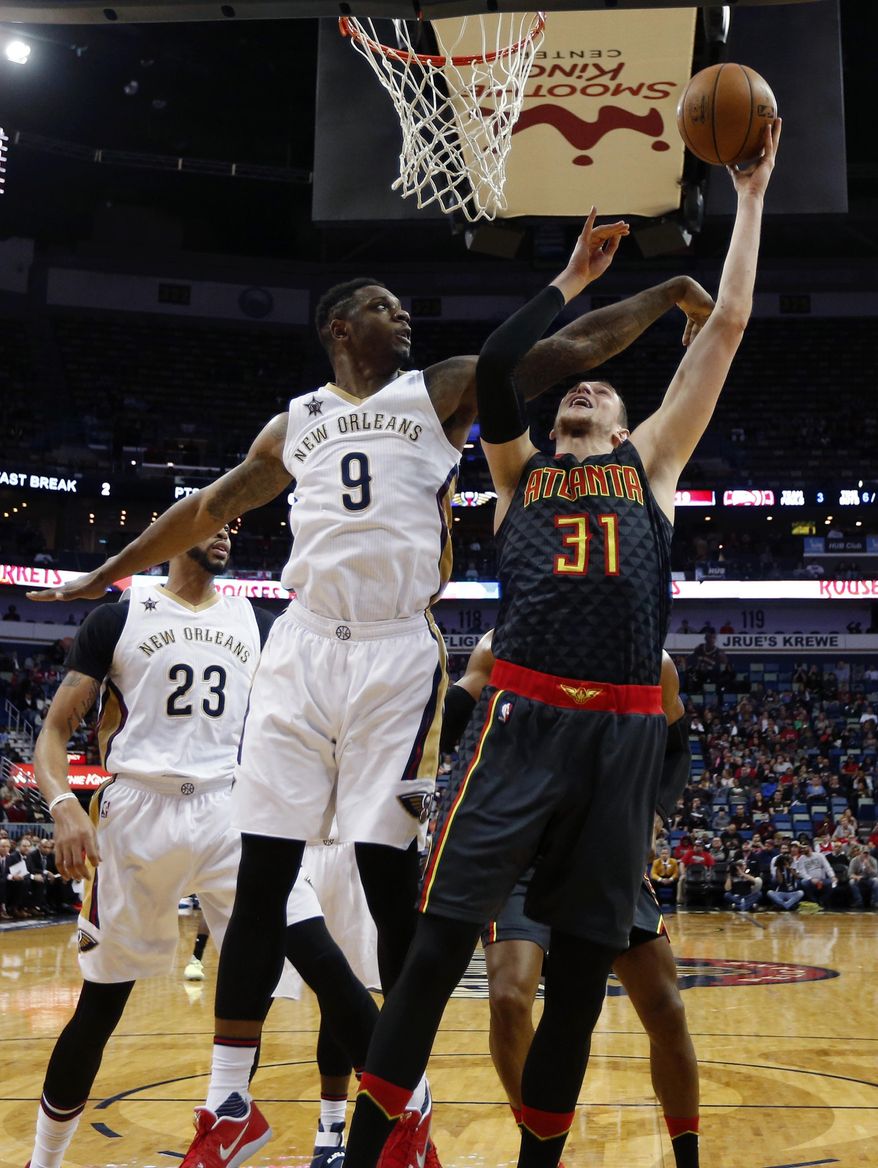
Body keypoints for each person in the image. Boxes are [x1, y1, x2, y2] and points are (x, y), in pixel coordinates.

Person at [28, 228, 716, 1168]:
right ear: (339, 326)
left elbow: (565, 350)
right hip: (305, 644)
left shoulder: (437, 389)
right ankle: (235, 1105)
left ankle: (403, 1105)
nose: (407, 317)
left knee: (390, 886)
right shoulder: (295, 421)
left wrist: (662, 292)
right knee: (265, 879)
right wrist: (106, 570)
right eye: (388, 306)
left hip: (395, 652)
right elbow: (205, 510)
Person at [344, 120, 781, 1168]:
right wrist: (571, 280)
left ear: (630, 426)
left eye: (601, 393)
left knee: (581, 985)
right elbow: (500, 364)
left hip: (620, 741)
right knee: (439, 951)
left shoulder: (651, 470)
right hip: (518, 726)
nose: (584, 392)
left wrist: (750, 196)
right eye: (578, 389)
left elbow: (721, 326)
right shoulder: (514, 475)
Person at [25, 531, 377, 1168]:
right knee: (100, 1005)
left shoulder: (261, 623)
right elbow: (52, 732)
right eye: (214, 517)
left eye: (234, 522)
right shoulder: (119, 617)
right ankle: (42, 1162)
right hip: (137, 811)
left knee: (321, 957)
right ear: (174, 531)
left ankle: (396, 1112)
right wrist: (62, 804)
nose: (226, 530)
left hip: (234, 807)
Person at [445, 638, 701, 1168]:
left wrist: (653, 812)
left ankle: (688, 1157)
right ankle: (541, 1151)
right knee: (509, 999)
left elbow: (676, 751)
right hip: (520, 848)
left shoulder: (653, 662)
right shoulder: (501, 648)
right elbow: (447, 727)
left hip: (605, 846)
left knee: (665, 1008)